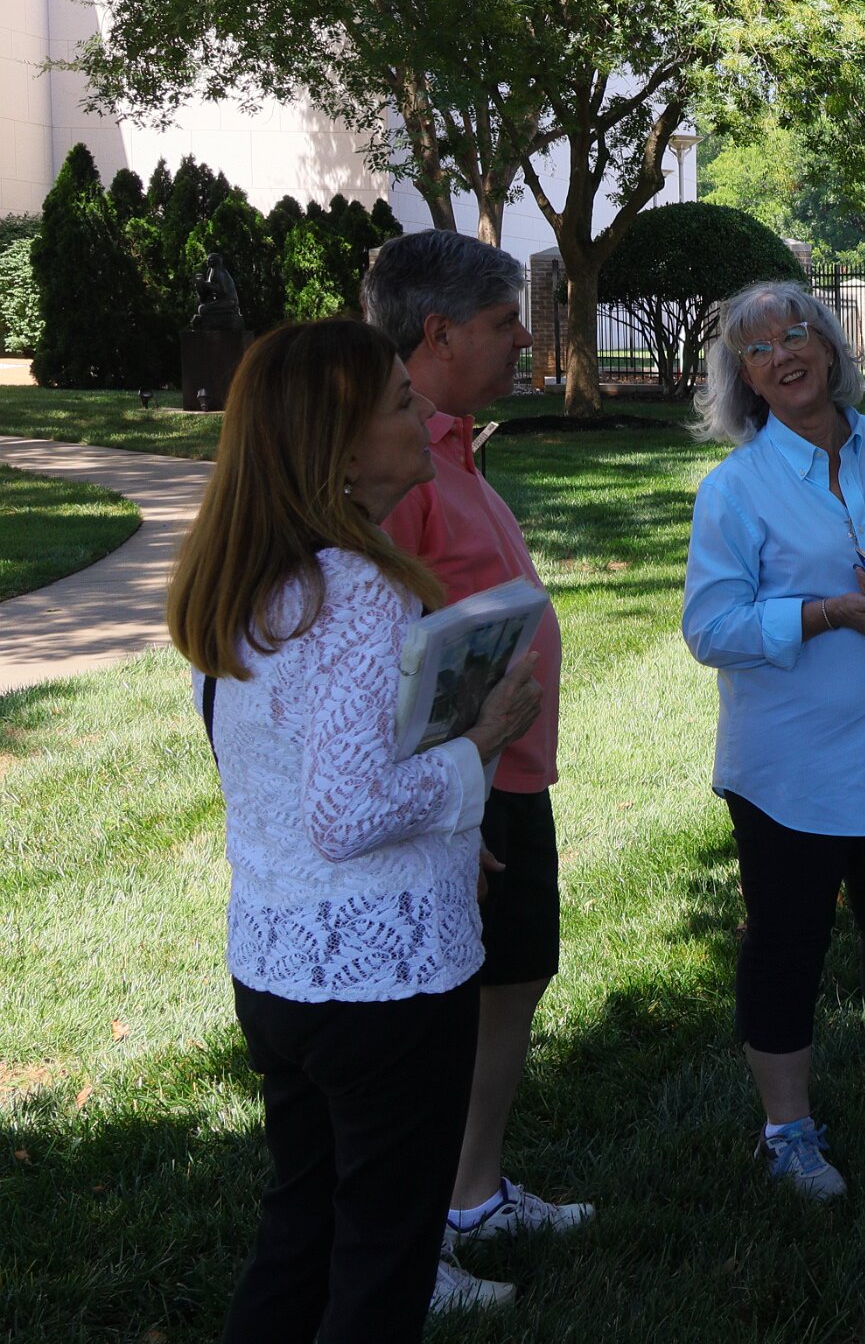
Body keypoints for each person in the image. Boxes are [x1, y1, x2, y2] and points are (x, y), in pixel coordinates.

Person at [166, 319, 542, 1339]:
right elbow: (346, 814)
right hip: (382, 986)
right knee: (381, 1259)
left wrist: (450, 840)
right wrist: (481, 743)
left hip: (279, 965)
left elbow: (294, 780)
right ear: (338, 449)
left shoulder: (249, 584)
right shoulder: (357, 592)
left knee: (300, 1230)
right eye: (398, 404)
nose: (422, 415)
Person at [682, 280, 865, 1201]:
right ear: (745, 377)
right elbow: (711, 628)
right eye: (759, 349)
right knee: (787, 941)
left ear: (827, 343)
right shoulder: (735, 489)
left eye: (796, 333)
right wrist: (821, 614)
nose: (784, 355)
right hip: (793, 767)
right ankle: (786, 1130)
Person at [362, 231, 589, 1303]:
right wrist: (447, 812)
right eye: (506, 322)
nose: (527, 341)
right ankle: (418, 1252)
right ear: (439, 333)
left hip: (507, 778)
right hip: (459, 788)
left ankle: (473, 1192)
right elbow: (376, 657)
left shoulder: (449, 442)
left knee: (513, 977)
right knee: (438, 1019)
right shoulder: (394, 459)